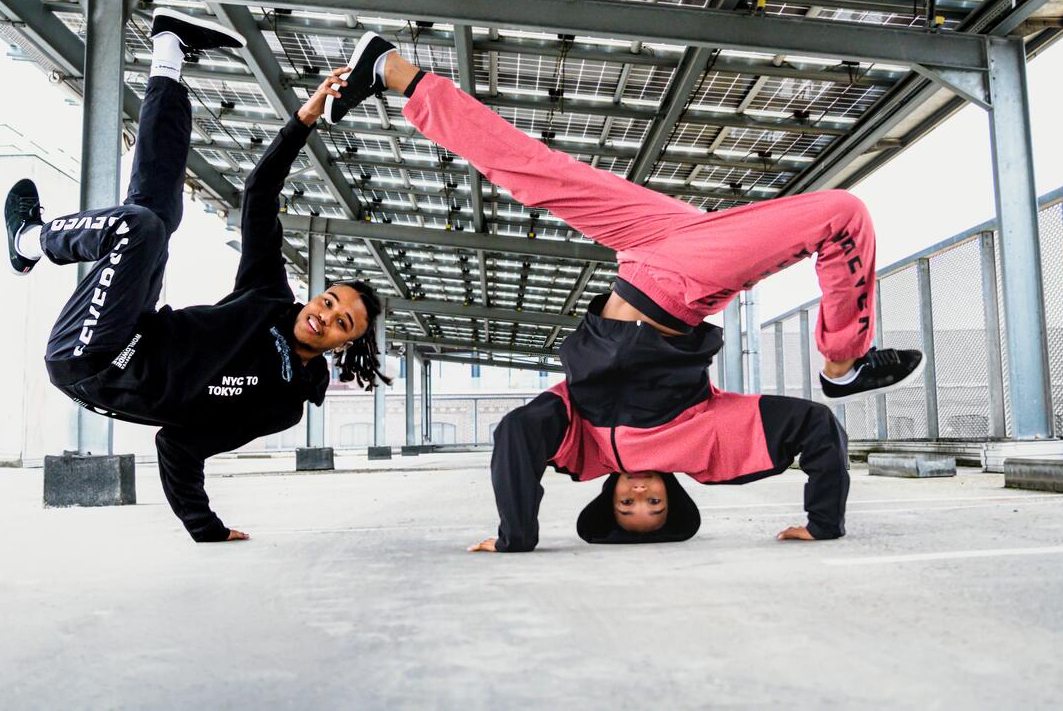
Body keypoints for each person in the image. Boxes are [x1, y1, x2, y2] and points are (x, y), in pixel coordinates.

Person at [326, 33, 921, 552]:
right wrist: (824, 524)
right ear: (673, 496)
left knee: (535, 170)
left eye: (627, 507)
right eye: (656, 506)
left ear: (607, 497)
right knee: (841, 215)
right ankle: (843, 361)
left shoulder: (579, 439)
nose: (640, 495)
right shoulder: (705, 442)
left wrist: (517, 536)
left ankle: (391, 71)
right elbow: (818, 430)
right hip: (682, 286)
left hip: (646, 254)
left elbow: (514, 434)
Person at [2, 9, 387, 542]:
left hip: (91, 365)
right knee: (157, 216)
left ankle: (28, 239)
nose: (325, 317)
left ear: (345, 344)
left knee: (138, 229)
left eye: (342, 323)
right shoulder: (268, 296)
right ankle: (168, 49)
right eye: (328, 302)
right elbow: (259, 197)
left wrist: (205, 527)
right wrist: (305, 117)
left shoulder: (282, 406)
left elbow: (180, 445)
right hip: (131, 325)